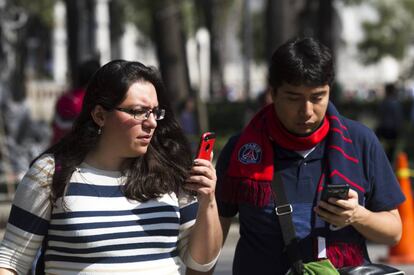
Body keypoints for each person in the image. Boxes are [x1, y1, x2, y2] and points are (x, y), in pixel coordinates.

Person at [0, 60, 222, 274]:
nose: (152, 122)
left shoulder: (169, 171)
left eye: (155, 112)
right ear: (99, 115)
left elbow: (201, 264)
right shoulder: (51, 172)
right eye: (138, 111)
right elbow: (11, 260)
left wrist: (208, 201)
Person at [212, 37, 405, 274]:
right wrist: (203, 202)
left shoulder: (360, 142)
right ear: (273, 93)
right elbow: (212, 244)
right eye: (294, 98)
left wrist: (358, 215)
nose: (306, 111)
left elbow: (394, 232)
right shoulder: (243, 151)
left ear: (329, 91)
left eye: (317, 97)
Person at [50, 58, 101, 145]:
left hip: (57, 149)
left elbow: (54, 125)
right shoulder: (93, 100)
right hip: (81, 152)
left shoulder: (63, 98)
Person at [375, 83, 403, 162]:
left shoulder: (383, 103)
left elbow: (379, 115)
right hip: (392, 129)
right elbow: (397, 117)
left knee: (383, 149)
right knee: (390, 150)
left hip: (383, 128)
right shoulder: (395, 103)